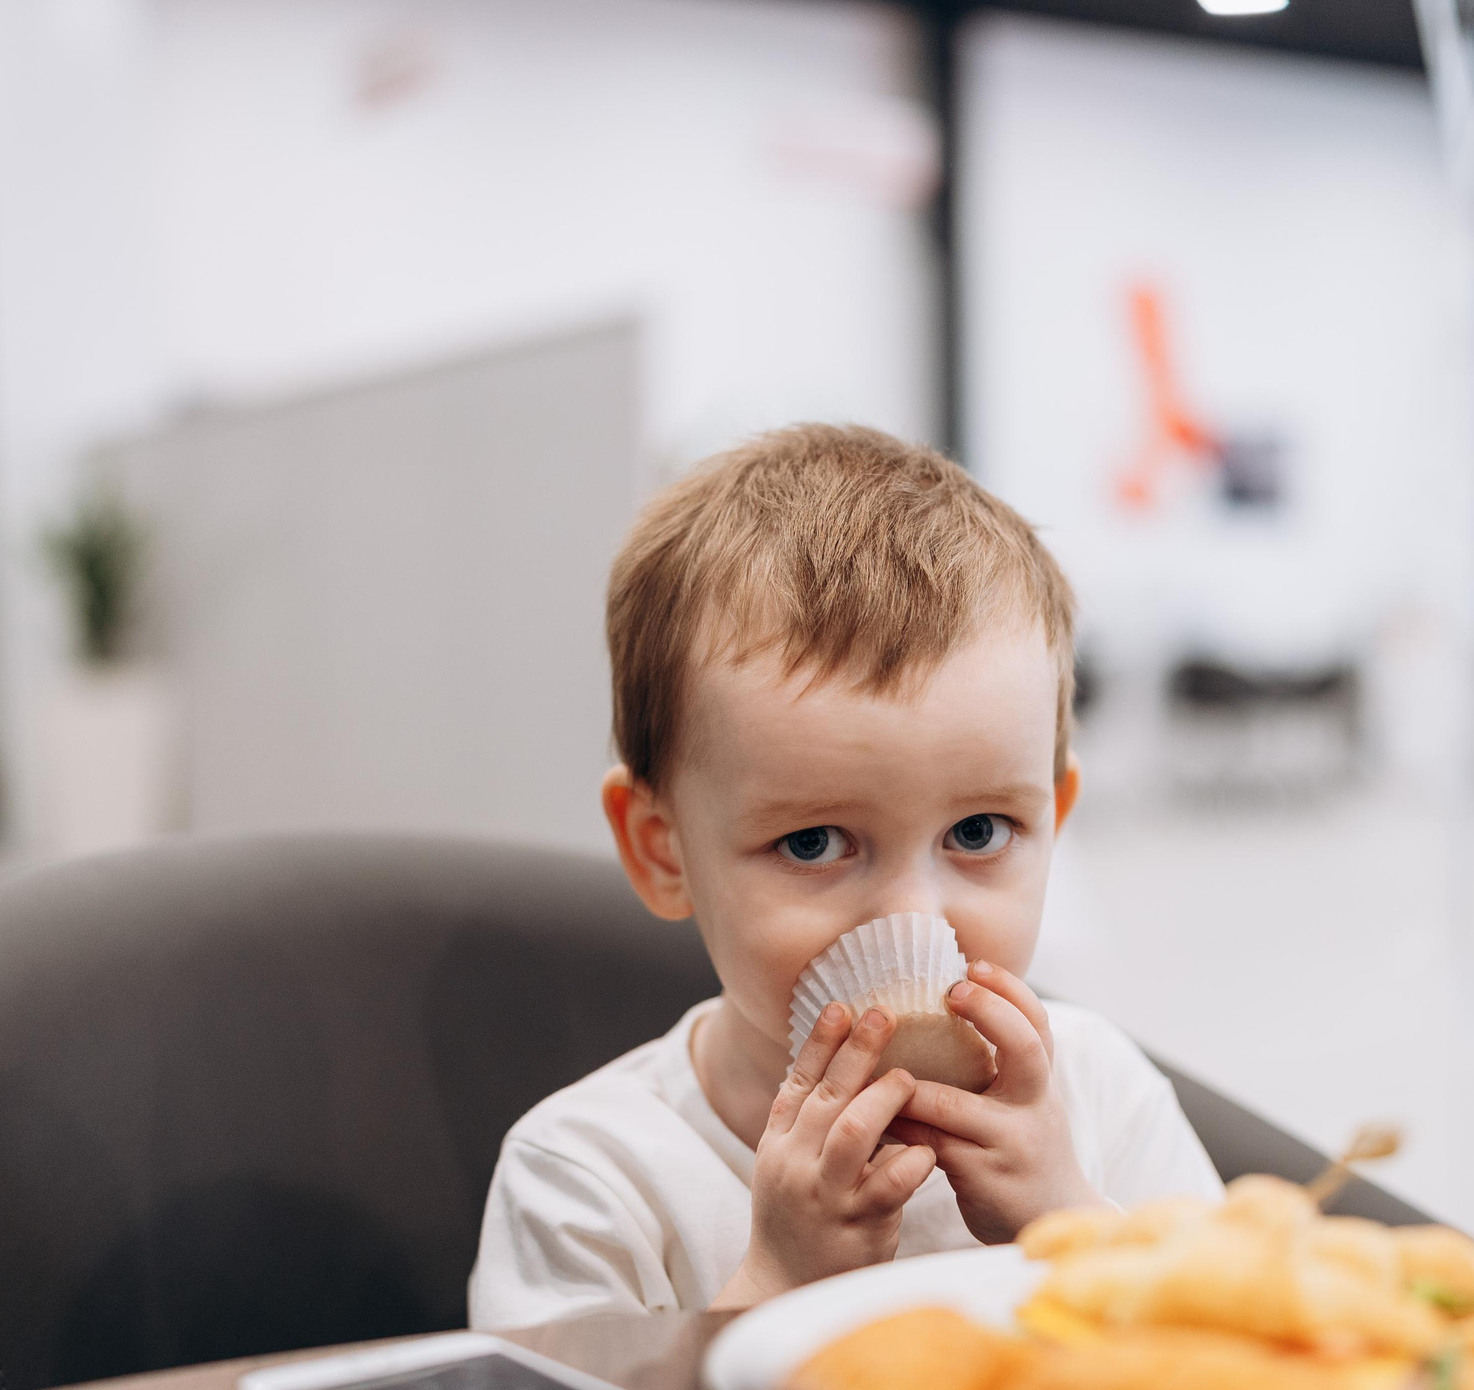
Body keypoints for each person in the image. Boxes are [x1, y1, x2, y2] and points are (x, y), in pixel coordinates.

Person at [467, 425, 1223, 1329]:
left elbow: (1245, 1382)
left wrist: (1076, 1231)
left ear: (1053, 822)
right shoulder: (594, 1175)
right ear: (663, 851)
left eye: (978, 831)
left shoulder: (1099, 1100)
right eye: (815, 844)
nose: (911, 919)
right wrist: (776, 1284)